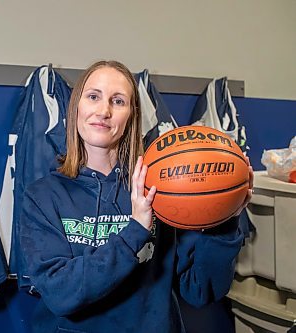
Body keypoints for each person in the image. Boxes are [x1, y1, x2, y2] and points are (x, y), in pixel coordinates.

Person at [19, 60, 253, 333]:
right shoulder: (43, 196)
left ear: (131, 115)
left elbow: (200, 290)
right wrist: (136, 230)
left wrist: (224, 217)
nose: (103, 111)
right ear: (76, 108)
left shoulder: (162, 189)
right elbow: (61, 293)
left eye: (118, 101)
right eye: (93, 96)